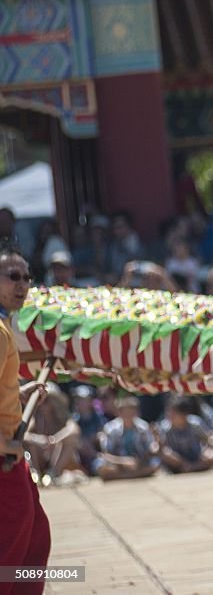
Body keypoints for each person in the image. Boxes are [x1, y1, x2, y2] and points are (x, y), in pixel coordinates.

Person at [0, 245, 51, 593]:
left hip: (9, 453)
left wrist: (19, 390)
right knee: (13, 548)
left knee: (33, 537)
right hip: (3, 455)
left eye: (27, 277)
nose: (23, 284)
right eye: (13, 276)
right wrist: (3, 444)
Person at [93, 397, 161, 481]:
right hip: (118, 464)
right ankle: (135, 475)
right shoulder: (110, 429)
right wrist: (123, 462)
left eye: (132, 411)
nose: (129, 414)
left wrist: (138, 461)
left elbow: (150, 449)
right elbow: (105, 454)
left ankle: (123, 476)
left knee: (155, 463)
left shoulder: (143, 427)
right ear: (119, 412)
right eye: (126, 412)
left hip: (139, 463)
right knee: (100, 466)